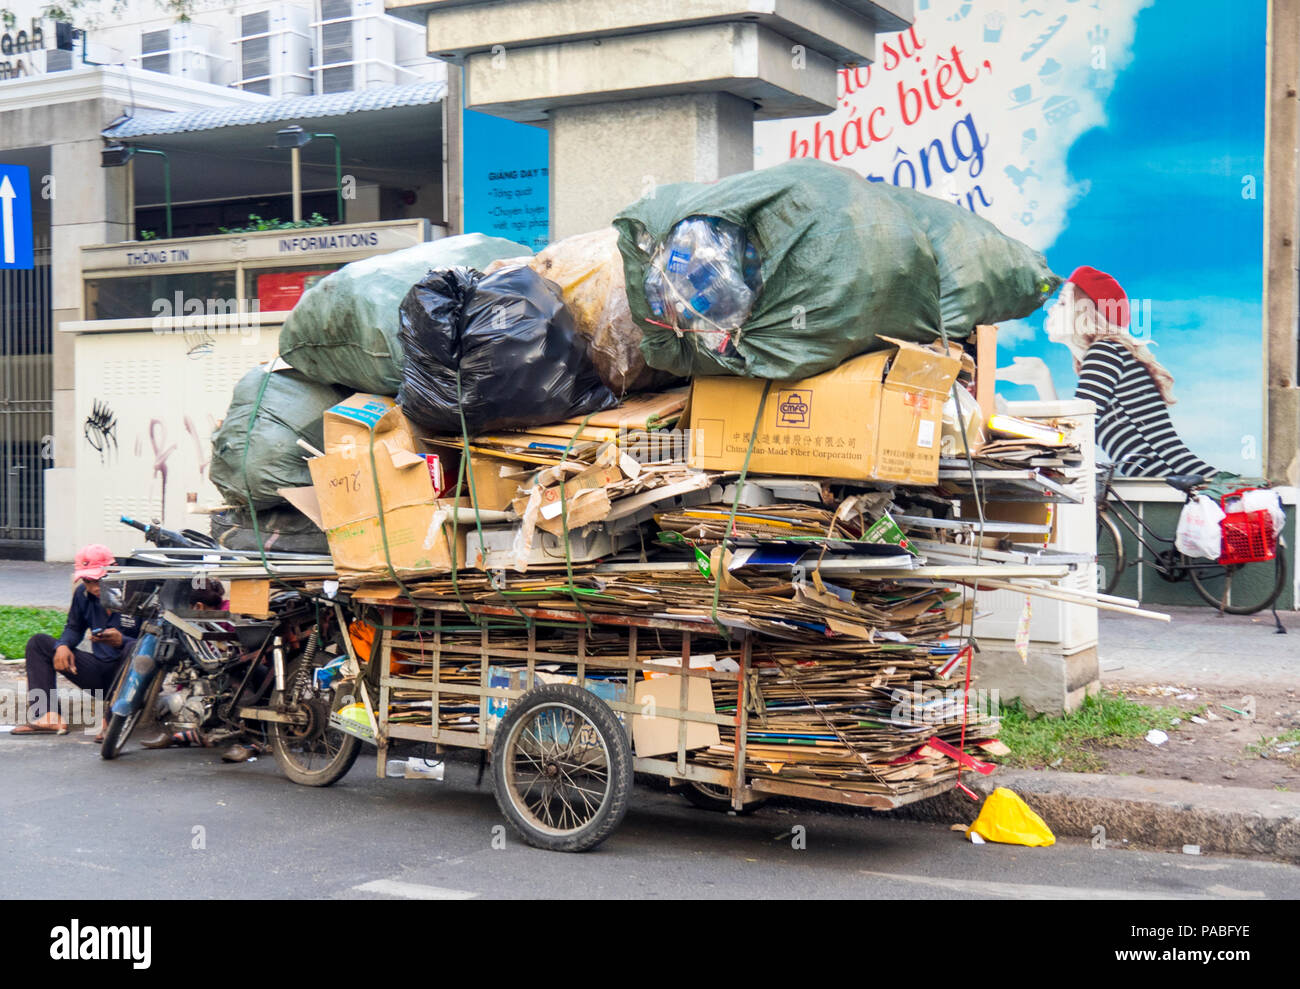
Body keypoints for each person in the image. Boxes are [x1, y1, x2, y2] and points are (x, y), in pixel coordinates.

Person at [998, 265, 1217, 478]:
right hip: (1180, 486)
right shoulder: (1108, 354)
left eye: (1063, 302)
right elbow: (1072, 436)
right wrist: (1041, 377)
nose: (1052, 308)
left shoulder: (1105, 352)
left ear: (1085, 311)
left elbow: (1073, 436)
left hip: (1184, 486)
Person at [13, 545, 137, 737]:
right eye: (88, 580)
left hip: (135, 679)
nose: (94, 587)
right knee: (38, 643)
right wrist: (63, 645)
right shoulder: (83, 594)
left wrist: (123, 641)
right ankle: (47, 715)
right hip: (100, 672)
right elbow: (74, 627)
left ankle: (113, 721)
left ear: (114, 571)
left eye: (99, 580)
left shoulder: (137, 595)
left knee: (135, 651)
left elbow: (154, 643)